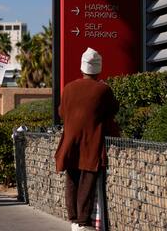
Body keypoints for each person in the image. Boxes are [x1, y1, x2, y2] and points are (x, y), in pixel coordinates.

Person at [55, 48, 119, 231]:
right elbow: (113, 109)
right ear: (98, 69)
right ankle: (83, 222)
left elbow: (61, 112)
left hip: (70, 141)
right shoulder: (103, 89)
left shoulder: (68, 88)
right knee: (87, 180)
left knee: (72, 179)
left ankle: (74, 220)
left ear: (82, 69)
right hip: (91, 141)